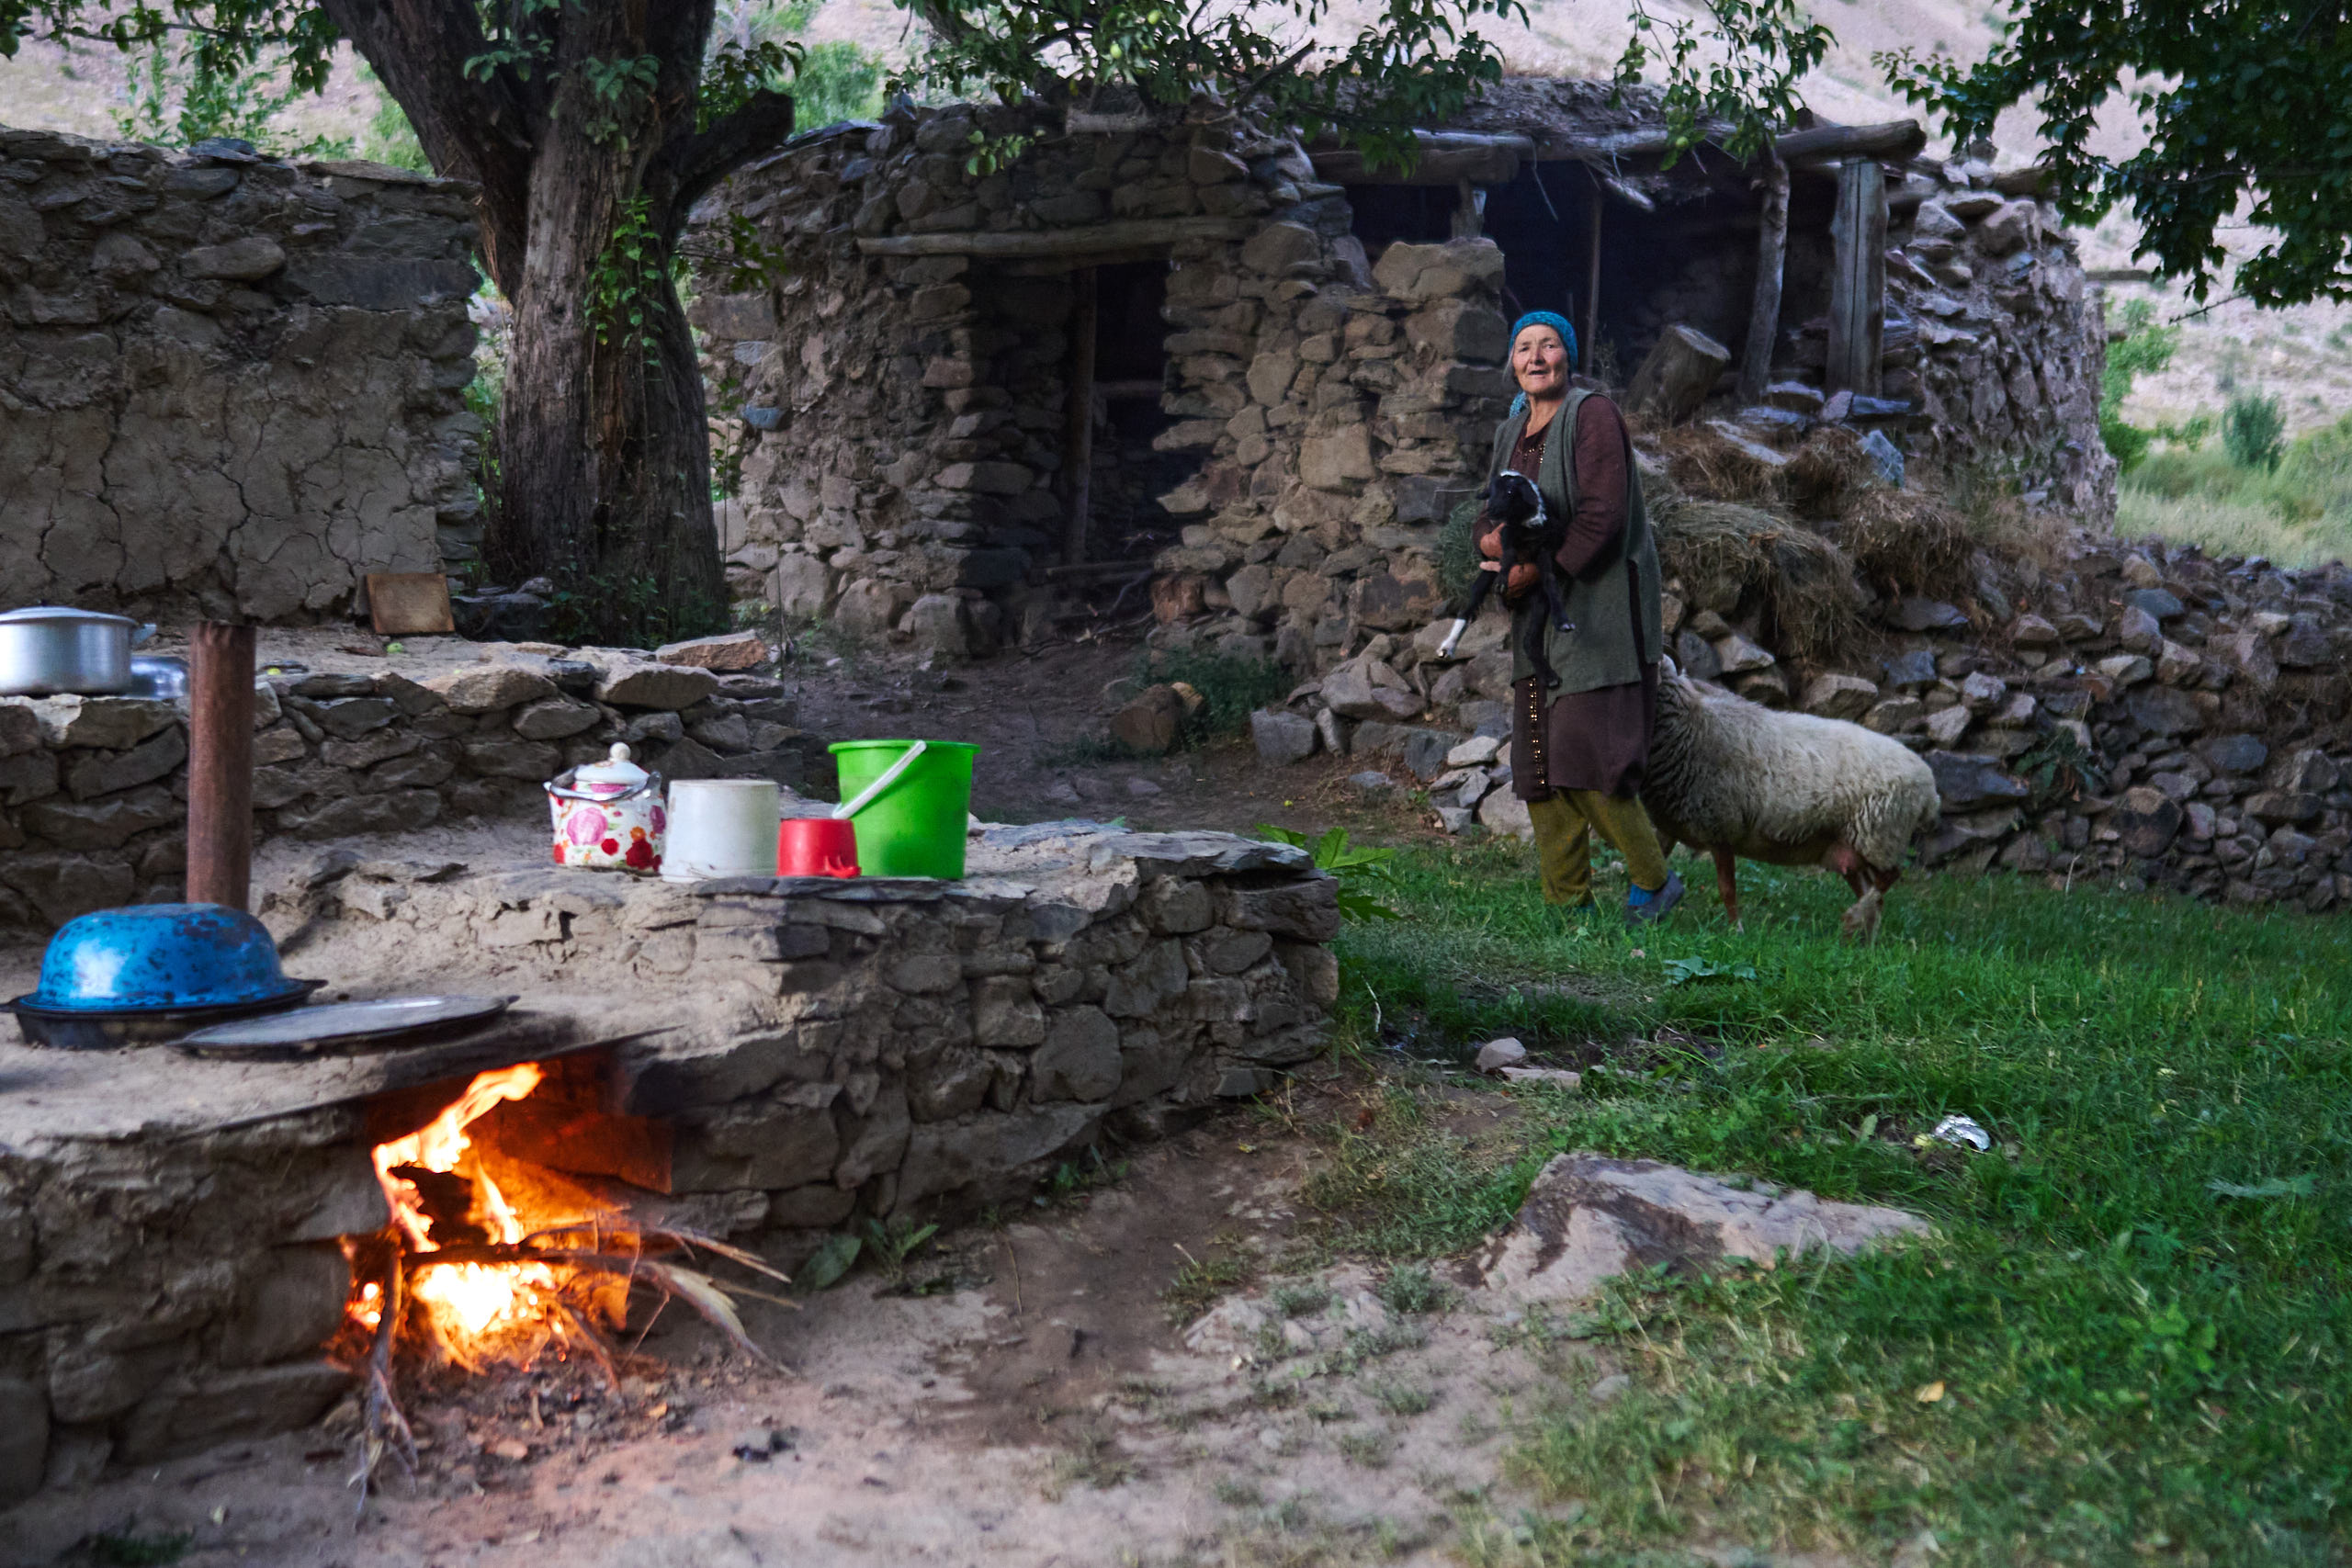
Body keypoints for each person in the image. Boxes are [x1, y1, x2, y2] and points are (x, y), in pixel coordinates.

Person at [1476, 311, 1685, 924]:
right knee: (1537, 762)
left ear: (1567, 356)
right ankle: (1569, 908)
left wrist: (1533, 572)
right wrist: (1489, 544)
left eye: (1547, 346)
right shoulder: (1512, 427)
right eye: (1523, 347)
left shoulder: (1591, 415)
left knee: (1585, 755)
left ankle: (1654, 882)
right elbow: (1487, 508)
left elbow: (1602, 517)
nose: (1535, 357)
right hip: (1538, 624)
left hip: (1599, 614)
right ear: (1512, 362)